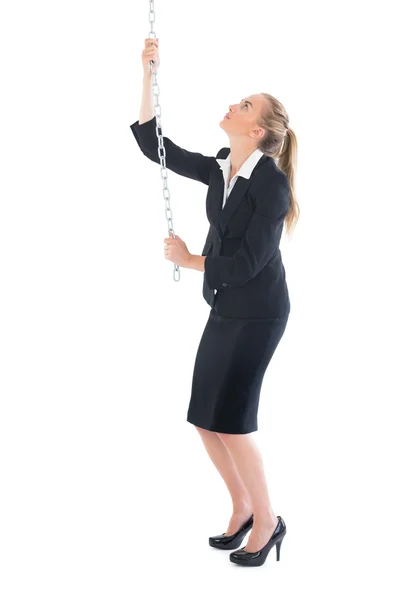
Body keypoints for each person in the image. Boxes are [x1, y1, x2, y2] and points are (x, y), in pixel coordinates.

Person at [130, 38, 299, 567]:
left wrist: (188, 258)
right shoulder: (225, 163)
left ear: (258, 131)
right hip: (227, 308)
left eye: (246, 105)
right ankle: (243, 507)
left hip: (260, 313)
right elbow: (156, 148)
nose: (234, 104)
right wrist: (146, 76)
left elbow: (248, 264)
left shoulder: (271, 186)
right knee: (206, 416)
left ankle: (269, 523)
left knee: (233, 421)